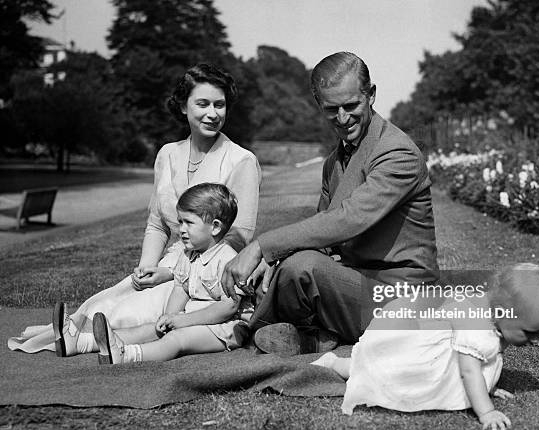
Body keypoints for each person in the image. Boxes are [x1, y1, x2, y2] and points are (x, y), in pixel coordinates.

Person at [9, 63, 261, 356]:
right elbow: (156, 223)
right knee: (101, 305)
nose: (212, 113)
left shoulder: (241, 160)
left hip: (207, 276)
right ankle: (77, 337)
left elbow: (239, 235)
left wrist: (173, 274)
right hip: (167, 264)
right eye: (202, 103)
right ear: (183, 106)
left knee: (126, 315)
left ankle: (87, 342)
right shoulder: (168, 154)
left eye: (220, 105)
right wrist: (148, 267)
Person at [221, 52, 438, 354]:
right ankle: (312, 336)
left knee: (303, 266)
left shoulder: (397, 153)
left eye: (351, 106)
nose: (343, 118)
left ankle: (254, 327)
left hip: (403, 298)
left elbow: (348, 220)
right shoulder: (334, 162)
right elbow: (323, 236)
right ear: (319, 106)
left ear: (371, 95)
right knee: (290, 266)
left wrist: (263, 247)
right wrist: (275, 261)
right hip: (354, 281)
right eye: (331, 109)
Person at [310, 264, 539, 430]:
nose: (537, 340)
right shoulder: (473, 322)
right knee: (382, 373)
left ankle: (341, 363)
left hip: (441, 350)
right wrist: (486, 411)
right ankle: (334, 363)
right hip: (419, 354)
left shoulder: (497, 320)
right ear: (501, 313)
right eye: (530, 332)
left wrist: (490, 385)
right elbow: (470, 371)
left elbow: (487, 358)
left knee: (377, 371)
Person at [92, 183, 250, 364]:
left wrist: (184, 321)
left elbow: (228, 307)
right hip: (195, 320)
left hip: (226, 328)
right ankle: (88, 342)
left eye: (189, 222)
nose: (182, 229)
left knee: (177, 340)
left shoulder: (228, 260)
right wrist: (169, 317)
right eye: (180, 221)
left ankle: (126, 355)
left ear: (215, 227)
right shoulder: (189, 254)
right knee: (154, 328)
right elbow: (180, 288)